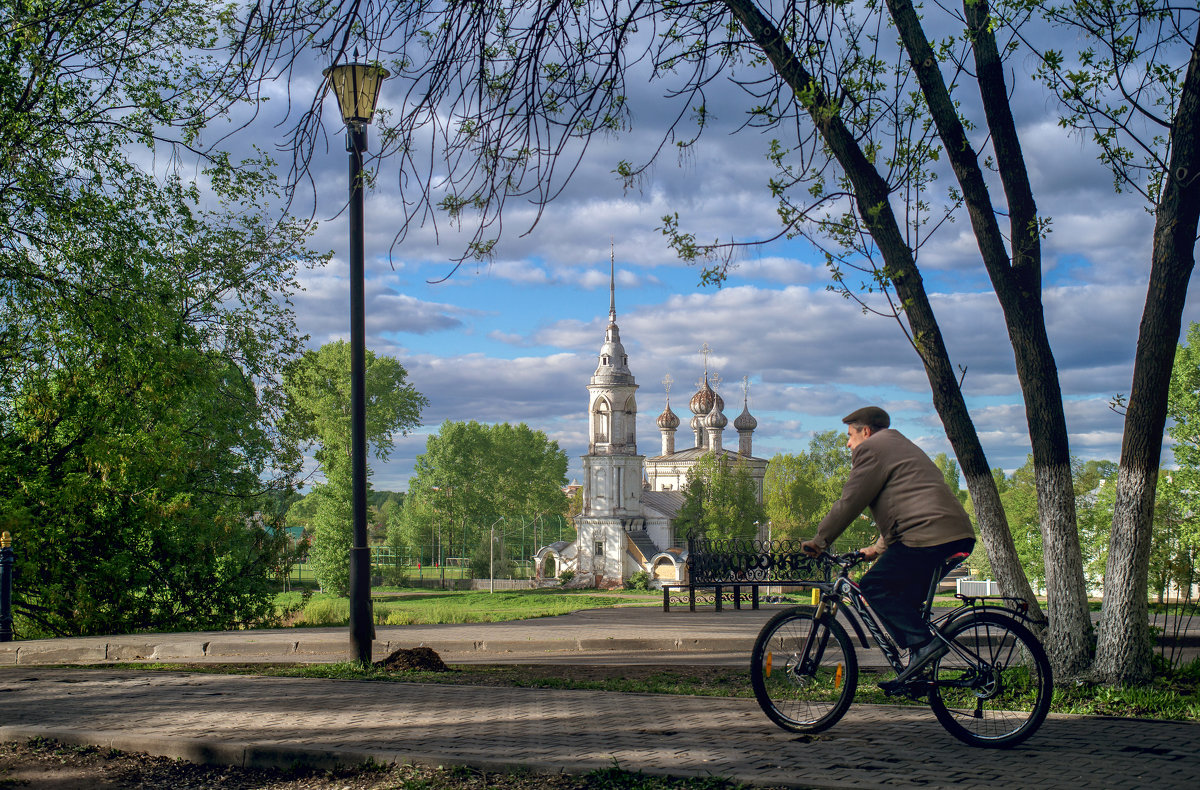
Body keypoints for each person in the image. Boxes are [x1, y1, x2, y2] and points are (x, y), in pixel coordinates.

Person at [800, 406, 975, 689]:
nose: (848, 443)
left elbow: (851, 501)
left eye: (850, 435)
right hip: (954, 535)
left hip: (928, 538)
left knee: (874, 587)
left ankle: (923, 647)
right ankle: (919, 668)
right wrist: (877, 548)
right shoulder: (900, 445)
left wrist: (820, 541)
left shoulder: (871, 450)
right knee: (904, 601)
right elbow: (906, 505)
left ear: (866, 432)